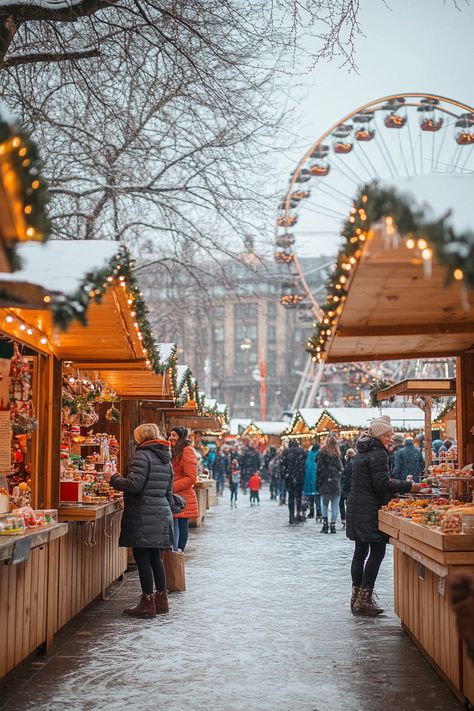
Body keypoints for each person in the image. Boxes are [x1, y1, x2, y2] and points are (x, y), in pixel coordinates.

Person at [346, 415, 421, 616]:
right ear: (379, 435)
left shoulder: (362, 452)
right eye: (388, 435)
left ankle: (356, 597)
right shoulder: (378, 454)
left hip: (357, 507)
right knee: (377, 552)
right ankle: (364, 598)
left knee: (360, 551)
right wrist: (409, 486)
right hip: (369, 510)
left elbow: (372, 482)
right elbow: (381, 484)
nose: (391, 439)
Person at [105, 423, 173, 618]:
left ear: (140, 437)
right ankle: (161, 600)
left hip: (143, 514)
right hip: (160, 513)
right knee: (155, 558)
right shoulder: (165, 459)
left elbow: (134, 485)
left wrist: (113, 477)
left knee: (142, 558)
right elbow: (169, 491)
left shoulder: (142, 455)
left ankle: (147, 603)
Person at [169, 426, 198, 552]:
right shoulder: (174, 450)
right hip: (175, 496)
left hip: (182, 497)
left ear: (181, 437)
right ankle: (175, 554)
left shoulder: (187, 451)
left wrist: (172, 487)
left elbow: (191, 477)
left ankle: (178, 554)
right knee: (175, 526)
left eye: (174, 435)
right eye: (170, 435)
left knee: (181, 525)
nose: (171, 437)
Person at [317, 435, 343, 534]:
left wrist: (318, 482)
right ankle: (333, 525)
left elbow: (319, 469)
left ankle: (325, 524)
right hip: (335, 482)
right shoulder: (337, 454)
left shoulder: (322, 453)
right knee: (335, 505)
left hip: (325, 481)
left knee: (324, 503)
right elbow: (341, 469)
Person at [281, 440, 306, 524]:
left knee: (291, 496)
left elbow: (282, 465)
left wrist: (284, 475)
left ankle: (291, 515)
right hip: (299, 477)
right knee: (298, 496)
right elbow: (304, 464)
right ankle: (298, 514)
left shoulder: (286, 452)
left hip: (289, 477)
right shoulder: (302, 451)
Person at [303, 437, 320, 520]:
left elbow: (306, 464)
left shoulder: (309, 455)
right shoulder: (319, 454)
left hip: (309, 478)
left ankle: (312, 512)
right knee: (317, 497)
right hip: (317, 477)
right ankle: (319, 512)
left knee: (311, 497)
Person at [340, 447, 356, 529]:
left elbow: (346, 477)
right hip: (353, 486)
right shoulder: (356, 462)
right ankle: (348, 519)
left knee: (343, 503)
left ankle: (344, 519)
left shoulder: (349, 464)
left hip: (347, 487)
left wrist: (344, 486)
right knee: (349, 504)